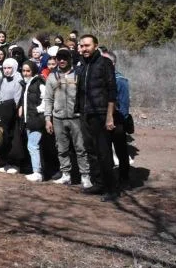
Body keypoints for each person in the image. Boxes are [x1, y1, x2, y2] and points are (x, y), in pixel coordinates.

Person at [76, 34, 119, 202]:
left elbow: (112, 91)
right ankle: (98, 183)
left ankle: (111, 189)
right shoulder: (83, 65)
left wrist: (109, 117)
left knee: (104, 152)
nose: (84, 49)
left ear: (95, 45)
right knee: (91, 151)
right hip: (85, 113)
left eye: (87, 45)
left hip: (100, 114)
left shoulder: (104, 63)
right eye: (82, 46)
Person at [44, 47, 91, 188]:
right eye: (59, 58)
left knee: (81, 148)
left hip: (76, 117)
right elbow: (48, 99)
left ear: (70, 59)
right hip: (58, 118)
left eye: (65, 58)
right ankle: (66, 175)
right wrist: (48, 119)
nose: (62, 60)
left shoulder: (78, 74)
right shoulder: (52, 76)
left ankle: (85, 176)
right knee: (61, 148)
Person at [103, 50, 132, 189]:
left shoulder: (120, 80)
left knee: (121, 150)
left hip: (117, 121)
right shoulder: (100, 79)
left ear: (113, 63)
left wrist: (119, 121)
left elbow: (124, 106)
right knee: (105, 151)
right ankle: (108, 180)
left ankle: (124, 178)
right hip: (102, 120)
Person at [0, 58, 23, 174]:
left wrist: (10, 109)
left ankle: (14, 163)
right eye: (4, 68)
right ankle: (1, 160)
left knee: (12, 139)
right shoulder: (3, 80)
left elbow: (17, 100)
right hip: (1, 113)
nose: (7, 70)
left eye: (9, 68)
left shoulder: (18, 80)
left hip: (12, 114)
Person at [19, 61, 46, 182]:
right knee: (32, 145)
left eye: (28, 71)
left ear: (33, 71)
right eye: (23, 71)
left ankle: (37, 172)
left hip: (37, 118)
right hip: (29, 119)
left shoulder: (38, 82)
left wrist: (37, 110)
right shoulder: (27, 84)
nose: (25, 73)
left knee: (33, 145)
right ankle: (37, 170)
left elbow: (46, 98)